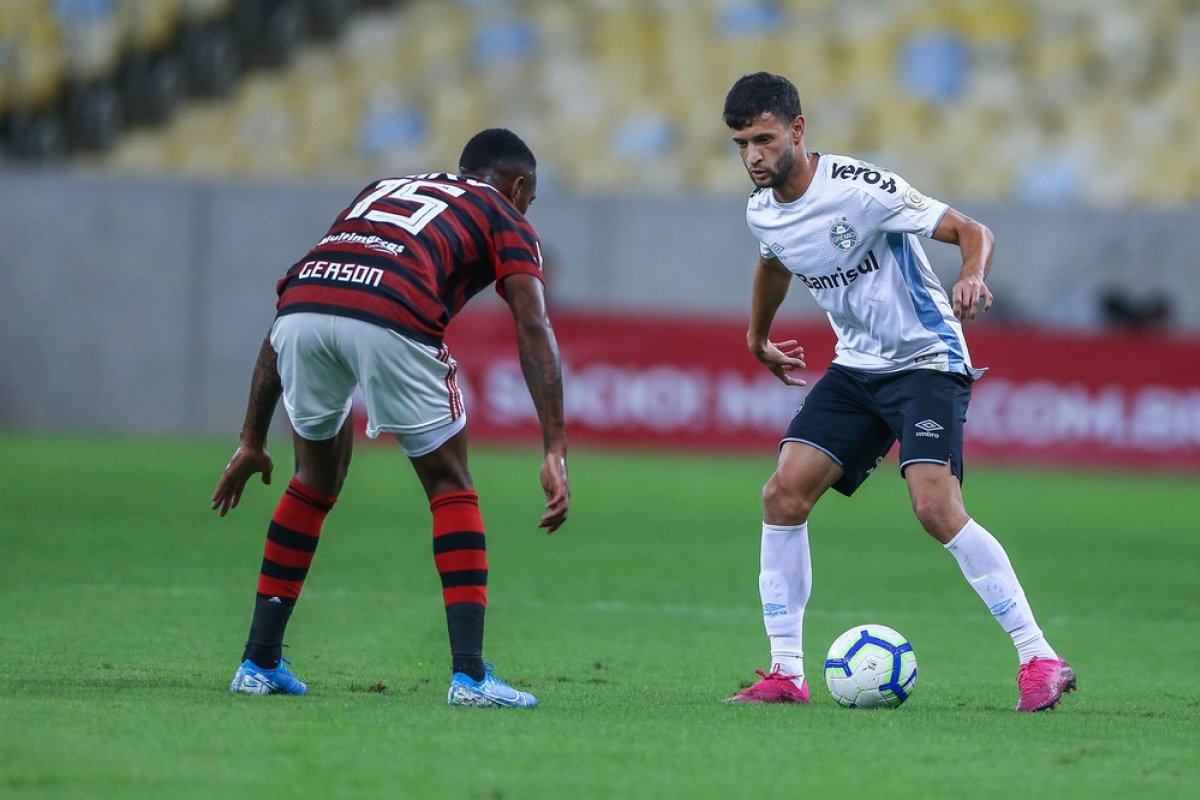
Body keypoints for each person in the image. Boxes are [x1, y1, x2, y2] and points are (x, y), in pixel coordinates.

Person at [720, 73, 1075, 712]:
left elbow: (972, 229)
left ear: (797, 131)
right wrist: (757, 336)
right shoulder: (762, 209)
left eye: (764, 140)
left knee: (934, 507)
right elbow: (774, 260)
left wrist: (971, 276)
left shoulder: (862, 189)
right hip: (858, 368)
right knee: (782, 493)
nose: (753, 156)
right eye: (742, 143)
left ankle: (1040, 659)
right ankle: (786, 673)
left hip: (927, 360)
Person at [211, 128, 570, 708]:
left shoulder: (383, 187)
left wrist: (252, 438)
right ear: (520, 185)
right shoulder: (504, 212)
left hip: (302, 309)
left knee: (314, 480)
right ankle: (470, 677)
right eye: (530, 198)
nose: (527, 208)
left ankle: (258, 663)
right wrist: (554, 446)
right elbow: (533, 324)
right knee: (450, 484)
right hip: (393, 313)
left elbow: (304, 300)